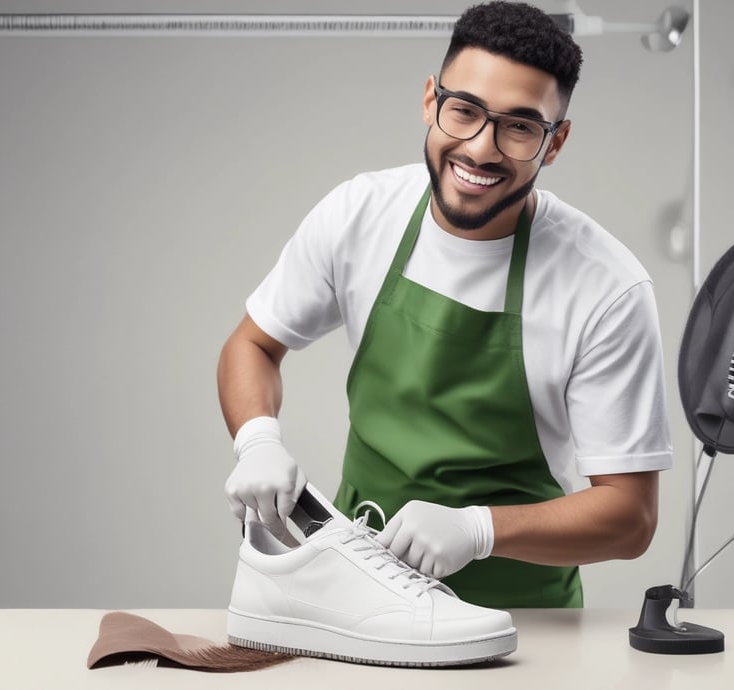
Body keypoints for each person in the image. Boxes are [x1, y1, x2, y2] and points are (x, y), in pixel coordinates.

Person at [217, 1, 673, 608]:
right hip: (357, 596)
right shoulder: (360, 214)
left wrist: (481, 529)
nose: (482, 149)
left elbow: (631, 516)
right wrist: (257, 440)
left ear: (555, 142)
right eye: (464, 112)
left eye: (519, 126)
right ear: (431, 101)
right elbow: (252, 343)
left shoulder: (605, 289)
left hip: (524, 623)